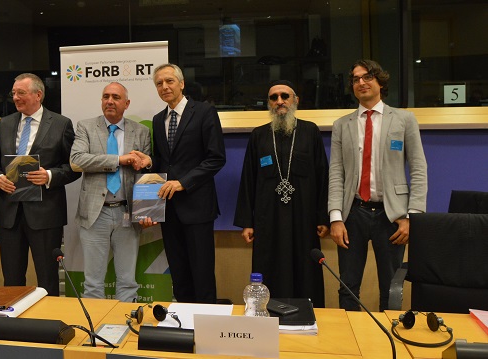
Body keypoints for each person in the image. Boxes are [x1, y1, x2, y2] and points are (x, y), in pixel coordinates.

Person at [328, 59, 428, 311]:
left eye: (367, 77)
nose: (361, 82)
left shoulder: (404, 120)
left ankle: (388, 345)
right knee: (348, 286)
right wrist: (335, 218)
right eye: (355, 79)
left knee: (391, 288)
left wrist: (412, 217)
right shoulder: (342, 125)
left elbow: (418, 168)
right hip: (353, 213)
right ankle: (351, 343)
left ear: (380, 82)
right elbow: (336, 173)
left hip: (392, 215)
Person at [234, 80, 329, 307]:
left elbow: (323, 176)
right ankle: (269, 314)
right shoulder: (258, 136)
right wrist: (247, 222)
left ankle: (307, 313)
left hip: (303, 219)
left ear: (295, 100)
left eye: (285, 96)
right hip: (268, 219)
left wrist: (322, 217)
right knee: (269, 266)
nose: (279, 101)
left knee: (305, 267)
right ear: (268, 103)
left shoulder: (310, 131)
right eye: (274, 98)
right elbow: (248, 179)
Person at [136, 63, 226, 304]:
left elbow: (216, 158)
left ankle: (206, 326)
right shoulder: (157, 120)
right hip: (169, 208)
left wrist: (182, 183)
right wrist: (149, 162)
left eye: (169, 81)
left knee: (202, 274)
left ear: (182, 84)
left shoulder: (205, 112)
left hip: (197, 208)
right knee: (179, 274)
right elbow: (167, 162)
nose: (164, 87)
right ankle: (185, 325)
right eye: (159, 83)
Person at [0, 73, 81, 296]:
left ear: (38, 95)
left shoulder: (61, 124)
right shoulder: (6, 123)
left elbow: (74, 167)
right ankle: (13, 325)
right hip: (9, 215)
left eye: (21, 93)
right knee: (11, 278)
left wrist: (49, 176)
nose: (16, 98)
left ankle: (47, 325)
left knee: (47, 278)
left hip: (45, 215)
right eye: (13, 93)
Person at [70, 82, 152, 302]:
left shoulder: (141, 132)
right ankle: (95, 332)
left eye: (116, 97)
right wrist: (118, 160)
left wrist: (147, 212)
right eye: (106, 96)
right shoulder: (86, 127)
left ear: (126, 103)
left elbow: (145, 174)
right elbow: (76, 161)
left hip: (128, 213)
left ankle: (124, 328)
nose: (109, 101)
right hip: (96, 214)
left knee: (128, 282)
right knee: (93, 283)